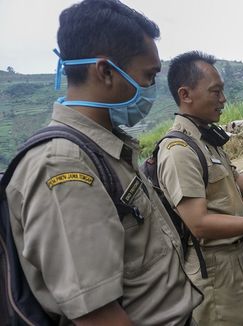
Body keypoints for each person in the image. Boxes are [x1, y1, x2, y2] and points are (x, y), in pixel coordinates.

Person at [6, 0, 202, 325]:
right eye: (148, 75)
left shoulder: (104, 148)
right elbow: (98, 315)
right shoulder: (63, 165)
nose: (151, 88)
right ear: (106, 71)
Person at [158, 51, 243, 326]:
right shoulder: (179, 151)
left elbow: (233, 181)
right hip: (214, 266)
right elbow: (199, 223)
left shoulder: (207, 140)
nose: (223, 99)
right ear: (185, 95)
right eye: (216, 92)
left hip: (236, 257)